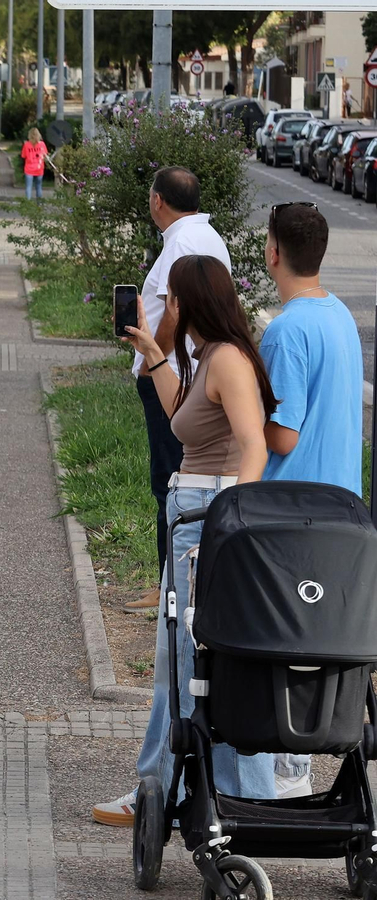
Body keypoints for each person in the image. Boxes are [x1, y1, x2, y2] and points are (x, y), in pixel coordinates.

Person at [92, 254, 281, 827]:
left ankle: (167, 791)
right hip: (197, 515)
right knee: (183, 662)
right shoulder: (208, 356)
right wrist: (154, 354)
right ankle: (184, 789)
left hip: (208, 518)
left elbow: (254, 445)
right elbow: (186, 417)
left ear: (186, 302)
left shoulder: (227, 360)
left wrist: (232, 525)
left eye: (169, 298)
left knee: (185, 663)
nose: (165, 307)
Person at [258, 202, 363, 800]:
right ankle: (298, 763)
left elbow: (283, 435)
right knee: (317, 636)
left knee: (282, 637)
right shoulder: (339, 314)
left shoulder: (286, 330)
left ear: (274, 252)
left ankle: (286, 769)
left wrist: (238, 407)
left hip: (291, 507)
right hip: (339, 502)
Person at [123, 167, 229, 614]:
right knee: (182, 476)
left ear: (157, 201)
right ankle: (181, 579)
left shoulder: (182, 243)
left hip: (173, 376)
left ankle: (169, 584)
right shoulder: (206, 236)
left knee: (168, 479)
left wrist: (154, 360)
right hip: (193, 374)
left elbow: (172, 312)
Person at [21, 129, 47, 201]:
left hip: (29, 169)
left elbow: (23, 156)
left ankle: (28, 204)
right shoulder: (42, 144)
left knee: (28, 187)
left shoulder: (26, 145)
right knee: (39, 187)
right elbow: (45, 155)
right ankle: (39, 204)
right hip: (39, 168)